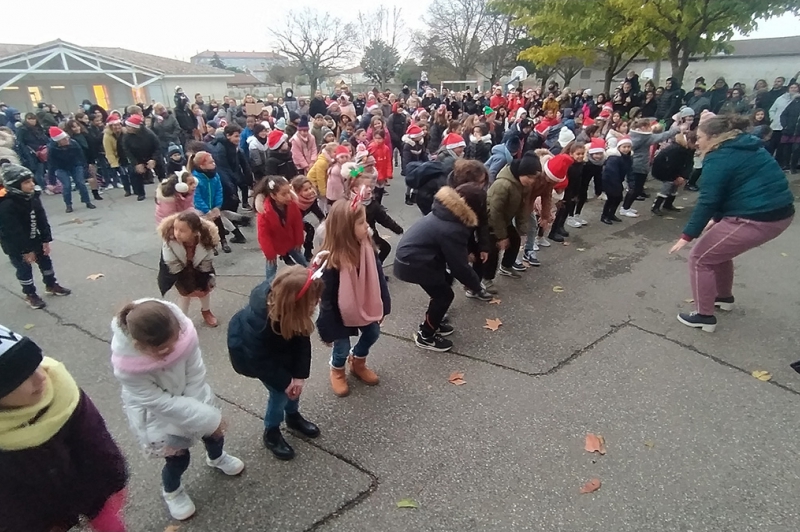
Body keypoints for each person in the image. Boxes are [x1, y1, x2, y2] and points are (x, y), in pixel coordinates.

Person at [111, 299, 245, 521]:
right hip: (159, 418)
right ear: (138, 346)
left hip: (195, 397)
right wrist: (207, 417)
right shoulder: (128, 368)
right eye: (162, 351)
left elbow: (195, 373)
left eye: (173, 345)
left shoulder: (184, 336)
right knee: (178, 458)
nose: (171, 352)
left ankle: (217, 458)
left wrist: (203, 417)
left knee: (214, 436)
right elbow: (159, 402)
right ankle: (172, 491)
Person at [668, 114, 794, 332]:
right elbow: (732, 187)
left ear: (715, 137)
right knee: (717, 253)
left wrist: (687, 236)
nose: (697, 141)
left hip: (756, 216)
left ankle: (704, 316)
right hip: (775, 213)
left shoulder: (719, 157)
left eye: (700, 137)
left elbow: (709, 199)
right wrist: (717, 218)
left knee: (699, 259)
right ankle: (723, 297)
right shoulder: (748, 146)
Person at [0, 324, 129, 531]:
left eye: (37, 365)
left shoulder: (61, 390)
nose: (41, 377)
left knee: (110, 523)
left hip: (92, 485)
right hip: (39, 514)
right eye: (22, 378)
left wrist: (111, 478)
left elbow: (94, 437)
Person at [227, 266, 322, 461]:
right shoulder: (258, 323)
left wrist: (299, 376)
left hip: (281, 351)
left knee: (294, 390)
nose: (318, 303)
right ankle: (271, 431)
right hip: (257, 360)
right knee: (280, 394)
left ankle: (293, 416)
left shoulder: (292, 313)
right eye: (314, 300)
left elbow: (302, 342)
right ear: (294, 303)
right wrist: (286, 382)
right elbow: (259, 360)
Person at [394, 183, 492, 351]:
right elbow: (459, 266)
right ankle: (426, 336)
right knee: (444, 295)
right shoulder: (452, 227)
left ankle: (434, 322)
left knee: (443, 285)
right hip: (414, 263)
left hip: (416, 258)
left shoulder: (446, 212)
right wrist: (476, 285)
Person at [316, 198, 390, 397]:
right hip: (339, 314)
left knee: (373, 333)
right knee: (341, 347)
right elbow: (326, 299)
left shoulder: (367, 248)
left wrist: (385, 304)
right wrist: (326, 329)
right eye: (361, 223)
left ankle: (357, 361)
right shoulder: (331, 260)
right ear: (345, 229)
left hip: (365, 303)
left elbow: (378, 278)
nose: (367, 226)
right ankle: (337, 369)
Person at [0, 163, 71, 309]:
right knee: (24, 269)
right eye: (26, 182)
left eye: (32, 180)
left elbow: (41, 219)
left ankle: (51, 284)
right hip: (15, 244)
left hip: (35, 238)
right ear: (15, 185)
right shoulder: (7, 204)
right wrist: (25, 250)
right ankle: (30, 294)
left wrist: (46, 239)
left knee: (45, 262)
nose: (32, 184)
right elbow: (13, 230)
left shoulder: (32, 197)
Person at [484, 153, 542, 286]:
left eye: (534, 178)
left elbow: (522, 207)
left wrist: (523, 229)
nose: (532, 181)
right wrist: (501, 236)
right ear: (522, 172)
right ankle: (485, 279)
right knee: (493, 250)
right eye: (530, 177)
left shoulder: (524, 185)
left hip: (505, 219)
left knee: (515, 240)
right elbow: (494, 212)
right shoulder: (503, 185)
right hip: (490, 221)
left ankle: (506, 266)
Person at [157, 211, 220, 327]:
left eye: (182, 231)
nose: (177, 233)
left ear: (195, 232)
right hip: (178, 271)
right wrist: (189, 288)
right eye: (175, 229)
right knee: (185, 294)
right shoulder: (169, 240)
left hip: (199, 267)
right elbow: (173, 265)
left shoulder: (207, 239)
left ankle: (206, 311)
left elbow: (206, 263)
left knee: (204, 291)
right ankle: (182, 319)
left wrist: (203, 282)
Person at [622, 118, 680, 217]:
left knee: (636, 189)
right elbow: (661, 136)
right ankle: (625, 208)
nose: (651, 128)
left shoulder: (634, 136)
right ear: (643, 127)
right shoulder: (644, 137)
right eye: (649, 126)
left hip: (636, 165)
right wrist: (675, 130)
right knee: (635, 189)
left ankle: (626, 207)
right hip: (639, 166)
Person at [256, 176, 308, 286]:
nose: (289, 196)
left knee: (300, 258)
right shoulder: (265, 212)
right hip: (274, 243)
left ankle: (309, 275)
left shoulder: (291, 205)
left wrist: (299, 240)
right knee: (271, 266)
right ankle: (269, 287)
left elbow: (297, 223)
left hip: (290, 240)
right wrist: (269, 253)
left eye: (289, 192)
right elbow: (263, 235)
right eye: (284, 194)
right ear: (273, 196)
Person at [349, 175, 403, 264]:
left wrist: (398, 229)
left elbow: (385, 219)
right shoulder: (348, 204)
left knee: (385, 249)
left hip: (371, 236)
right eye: (366, 187)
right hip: (353, 240)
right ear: (356, 189)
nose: (370, 189)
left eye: (370, 186)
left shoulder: (373, 204)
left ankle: (376, 269)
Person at [47, 126, 96, 212]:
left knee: (81, 183)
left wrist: (86, 170)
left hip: (75, 165)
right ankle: (68, 204)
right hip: (61, 167)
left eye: (67, 138)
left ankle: (87, 201)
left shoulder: (74, 143)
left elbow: (81, 157)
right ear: (59, 141)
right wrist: (52, 181)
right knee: (67, 186)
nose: (67, 140)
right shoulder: (52, 148)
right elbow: (51, 164)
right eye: (64, 139)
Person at [651, 132, 695, 216]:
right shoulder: (676, 149)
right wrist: (677, 176)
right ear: (689, 141)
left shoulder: (686, 148)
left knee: (674, 188)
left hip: (674, 171)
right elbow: (672, 164)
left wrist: (683, 176)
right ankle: (656, 206)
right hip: (666, 171)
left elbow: (689, 162)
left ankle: (668, 204)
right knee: (667, 186)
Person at [122, 114, 162, 201]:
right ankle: (140, 193)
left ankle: (165, 190)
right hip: (138, 157)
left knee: (161, 172)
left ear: (135, 127)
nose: (127, 128)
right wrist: (136, 164)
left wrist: (154, 159)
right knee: (136, 174)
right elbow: (127, 151)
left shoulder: (149, 134)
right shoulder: (126, 137)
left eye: (129, 126)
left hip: (151, 155)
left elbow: (158, 147)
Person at [291, 176, 325, 261]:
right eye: (306, 190)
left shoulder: (311, 198)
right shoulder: (295, 202)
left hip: (299, 219)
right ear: (297, 192)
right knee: (291, 238)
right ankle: (285, 255)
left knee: (310, 230)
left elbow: (316, 209)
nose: (310, 191)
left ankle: (308, 252)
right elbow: (295, 222)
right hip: (290, 221)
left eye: (310, 188)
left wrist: (324, 220)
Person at [600, 136, 633, 224]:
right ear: (619, 147)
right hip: (610, 181)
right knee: (612, 198)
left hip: (618, 181)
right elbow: (611, 173)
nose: (626, 149)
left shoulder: (628, 157)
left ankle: (611, 214)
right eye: (624, 147)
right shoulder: (614, 158)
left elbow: (629, 170)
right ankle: (605, 216)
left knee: (618, 198)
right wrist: (617, 185)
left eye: (628, 147)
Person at [768, 82, 798, 163]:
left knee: (782, 148)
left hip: (789, 128)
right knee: (772, 145)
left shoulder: (797, 101)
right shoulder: (780, 98)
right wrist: (773, 118)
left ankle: (780, 163)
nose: (793, 89)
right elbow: (772, 109)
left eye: (795, 87)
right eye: (792, 87)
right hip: (776, 126)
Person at [368, 130, 392, 204]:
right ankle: (375, 205)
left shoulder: (386, 149)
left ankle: (379, 204)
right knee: (374, 191)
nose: (378, 140)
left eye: (380, 138)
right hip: (373, 173)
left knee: (381, 190)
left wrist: (389, 173)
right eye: (376, 138)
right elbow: (364, 162)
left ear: (384, 138)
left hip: (382, 173)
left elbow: (388, 161)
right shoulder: (371, 147)